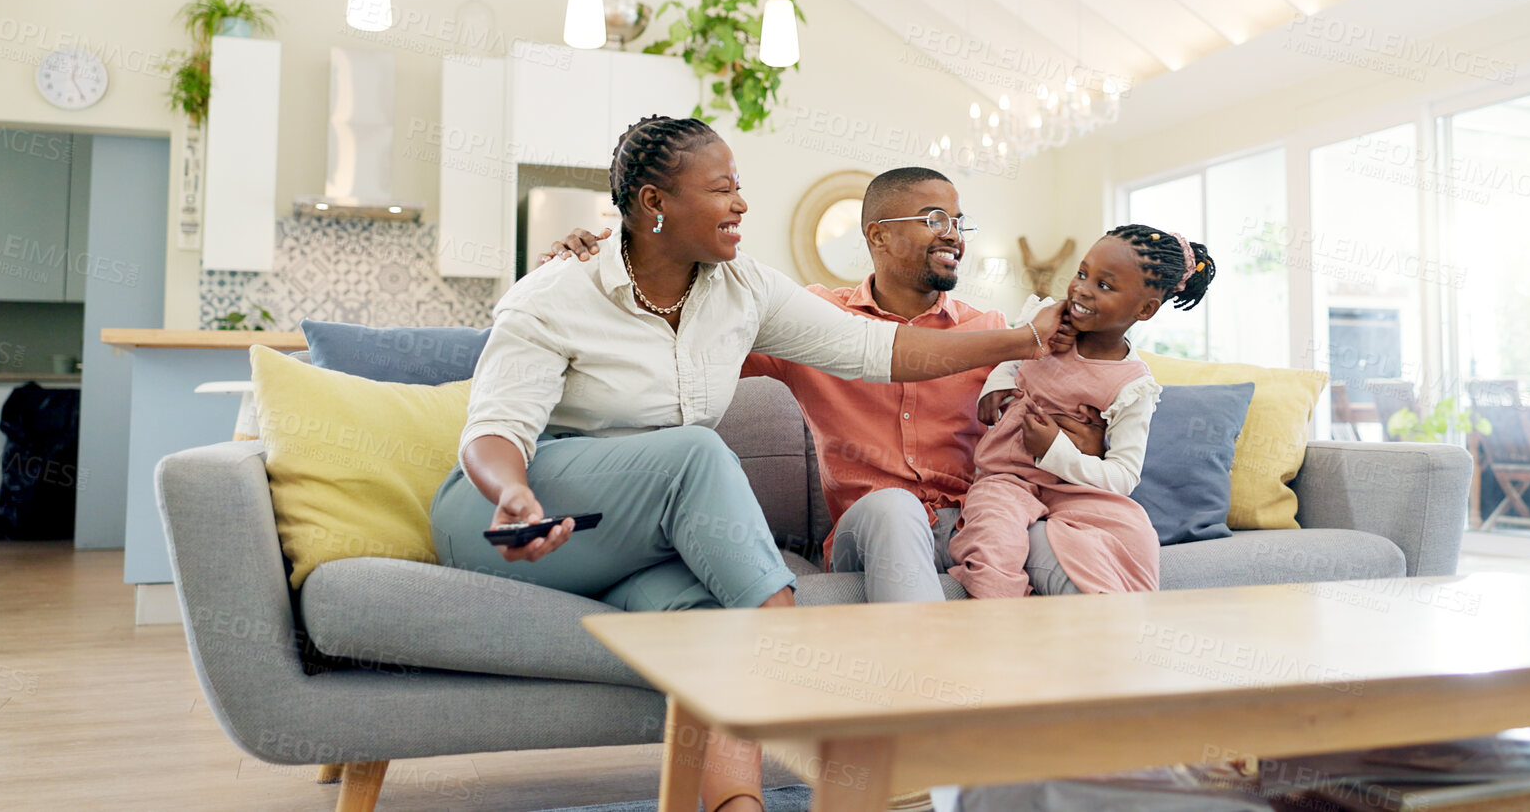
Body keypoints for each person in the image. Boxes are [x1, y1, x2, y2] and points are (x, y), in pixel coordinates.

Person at [435, 117, 1072, 812]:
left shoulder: (742, 291)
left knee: (716, 618)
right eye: (722, 189)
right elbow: (494, 429)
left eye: (739, 187)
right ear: (654, 203)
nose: (741, 203)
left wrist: (1025, 338)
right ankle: (795, 643)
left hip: (639, 539)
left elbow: (881, 351)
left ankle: (736, 801)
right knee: (699, 454)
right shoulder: (556, 291)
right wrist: (513, 494)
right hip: (518, 517)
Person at [542, 167, 1105, 604]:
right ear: (879, 237)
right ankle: (927, 717)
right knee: (893, 507)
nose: (954, 235)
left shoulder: (990, 333)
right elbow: (685, 341)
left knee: (1058, 543)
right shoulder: (813, 321)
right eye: (936, 219)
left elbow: (1072, 413)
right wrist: (587, 279)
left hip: (975, 520)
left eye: (959, 222)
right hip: (872, 527)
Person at [948, 226, 1217, 599]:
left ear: (1145, 309)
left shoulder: (1131, 385)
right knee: (992, 539)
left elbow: (1123, 477)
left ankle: (1103, 629)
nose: (1082, 289)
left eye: (1104, 286)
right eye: (1082, 273)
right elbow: (1014, 358)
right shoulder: (1048, 319)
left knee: (1133, 530)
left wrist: (1054, 449)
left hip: (1077, 489)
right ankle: (1002, 624)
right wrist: (997, 385)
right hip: (1007, 475)